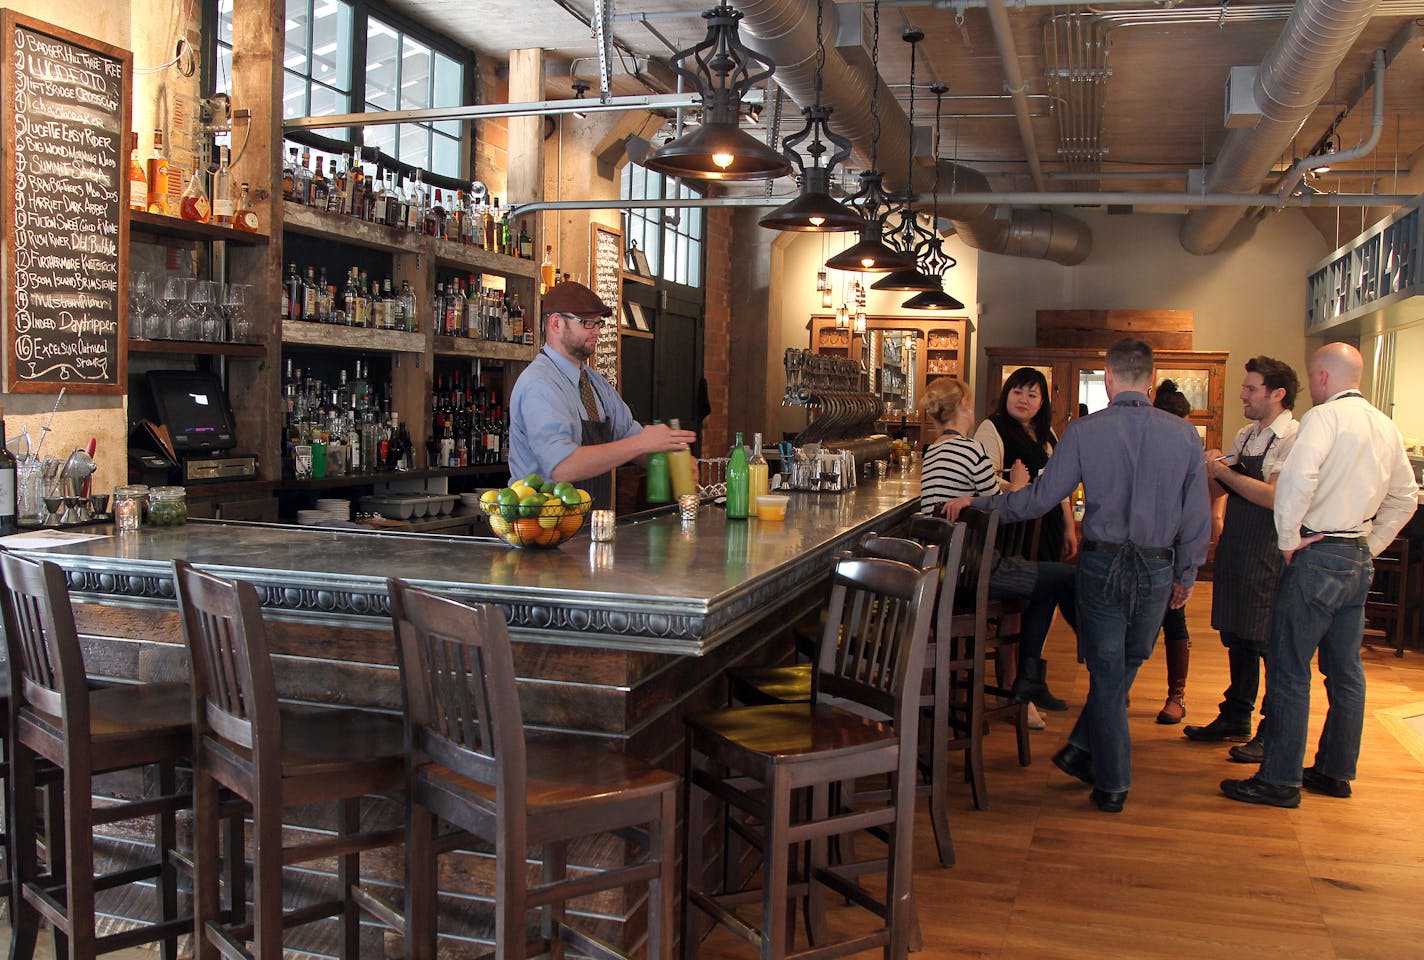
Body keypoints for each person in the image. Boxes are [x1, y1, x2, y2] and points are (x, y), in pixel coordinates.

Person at [944, 338, 1211, 813]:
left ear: (1108, 377)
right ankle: (1087, 756)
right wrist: (1187, 573)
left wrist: (979, 504)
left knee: (1111, 674)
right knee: (1122, 670)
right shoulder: (1186, 436)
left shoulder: (1084, 432)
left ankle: (1110, 779)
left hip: (1104, 564)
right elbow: (1197, 517)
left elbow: (1036, 500)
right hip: (1157, 566)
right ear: (1150, 379)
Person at [1222, 343, 1417, 808]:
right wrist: (1369, 544)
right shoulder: (1385, 426)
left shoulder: (1323, 419)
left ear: (1324, 378)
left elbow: (1296, 481)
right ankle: (1334, 771)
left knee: (1290, 669)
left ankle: (1280, 780)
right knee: (1346, 672)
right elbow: (1405, 497)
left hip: (1317, 551)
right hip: (1355, 557)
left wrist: (1288, 540)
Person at [919, 377, 1077, 719]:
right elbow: (1006, 504)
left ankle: (1029, 676)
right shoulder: (973, 448)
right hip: (974, 568)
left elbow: (983, 496)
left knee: (1049, 583)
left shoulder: (932, 452)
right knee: (1063, 579)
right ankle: (1032, 676)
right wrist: (1018, 484)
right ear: (963, 405)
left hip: (942, 568)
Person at [1184, 356, 1300, 764]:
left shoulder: (1292, 438)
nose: (1243, 395)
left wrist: (1226, 475)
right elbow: (1223, 485)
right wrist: (1214, 470)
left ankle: (1271, 730)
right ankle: (1235, 715)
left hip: (1268, 547)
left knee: (1265, 639)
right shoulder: (1247, 434)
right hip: (1237, 544)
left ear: (1277, 394)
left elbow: (1275, 496)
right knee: (1236, 634)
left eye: (1251, 389)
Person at [508, 281, 696, 507]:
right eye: (587, 323)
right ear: (556, 323)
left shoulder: (596, 384)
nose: (597, 331)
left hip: (590, 527)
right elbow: (561, 466)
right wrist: (642, 443)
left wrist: (673, 461)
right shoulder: (539, 384)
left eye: (599, 323)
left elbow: (629, 435)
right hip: (544, 530)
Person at [974, 367, 1079, 564]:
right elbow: (984, 478)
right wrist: (1013, 485)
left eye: (1031, 395)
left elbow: (1058, 483)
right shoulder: (992, 427)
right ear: (1006, 395)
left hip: (1050, 525)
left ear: (1041, 403)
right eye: (1017, 392)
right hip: (1016, 529)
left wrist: (1069, 527)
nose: (1023, 400)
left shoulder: (1047, 431)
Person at [1151, 381, 1195, 725]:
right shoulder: (1144, 446)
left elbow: (1197, 509)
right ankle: (1118, 688)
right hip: (1142, 544)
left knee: (1174, 616)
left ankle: (1176, 695)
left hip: (1174, 546)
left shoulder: (1189, 448)